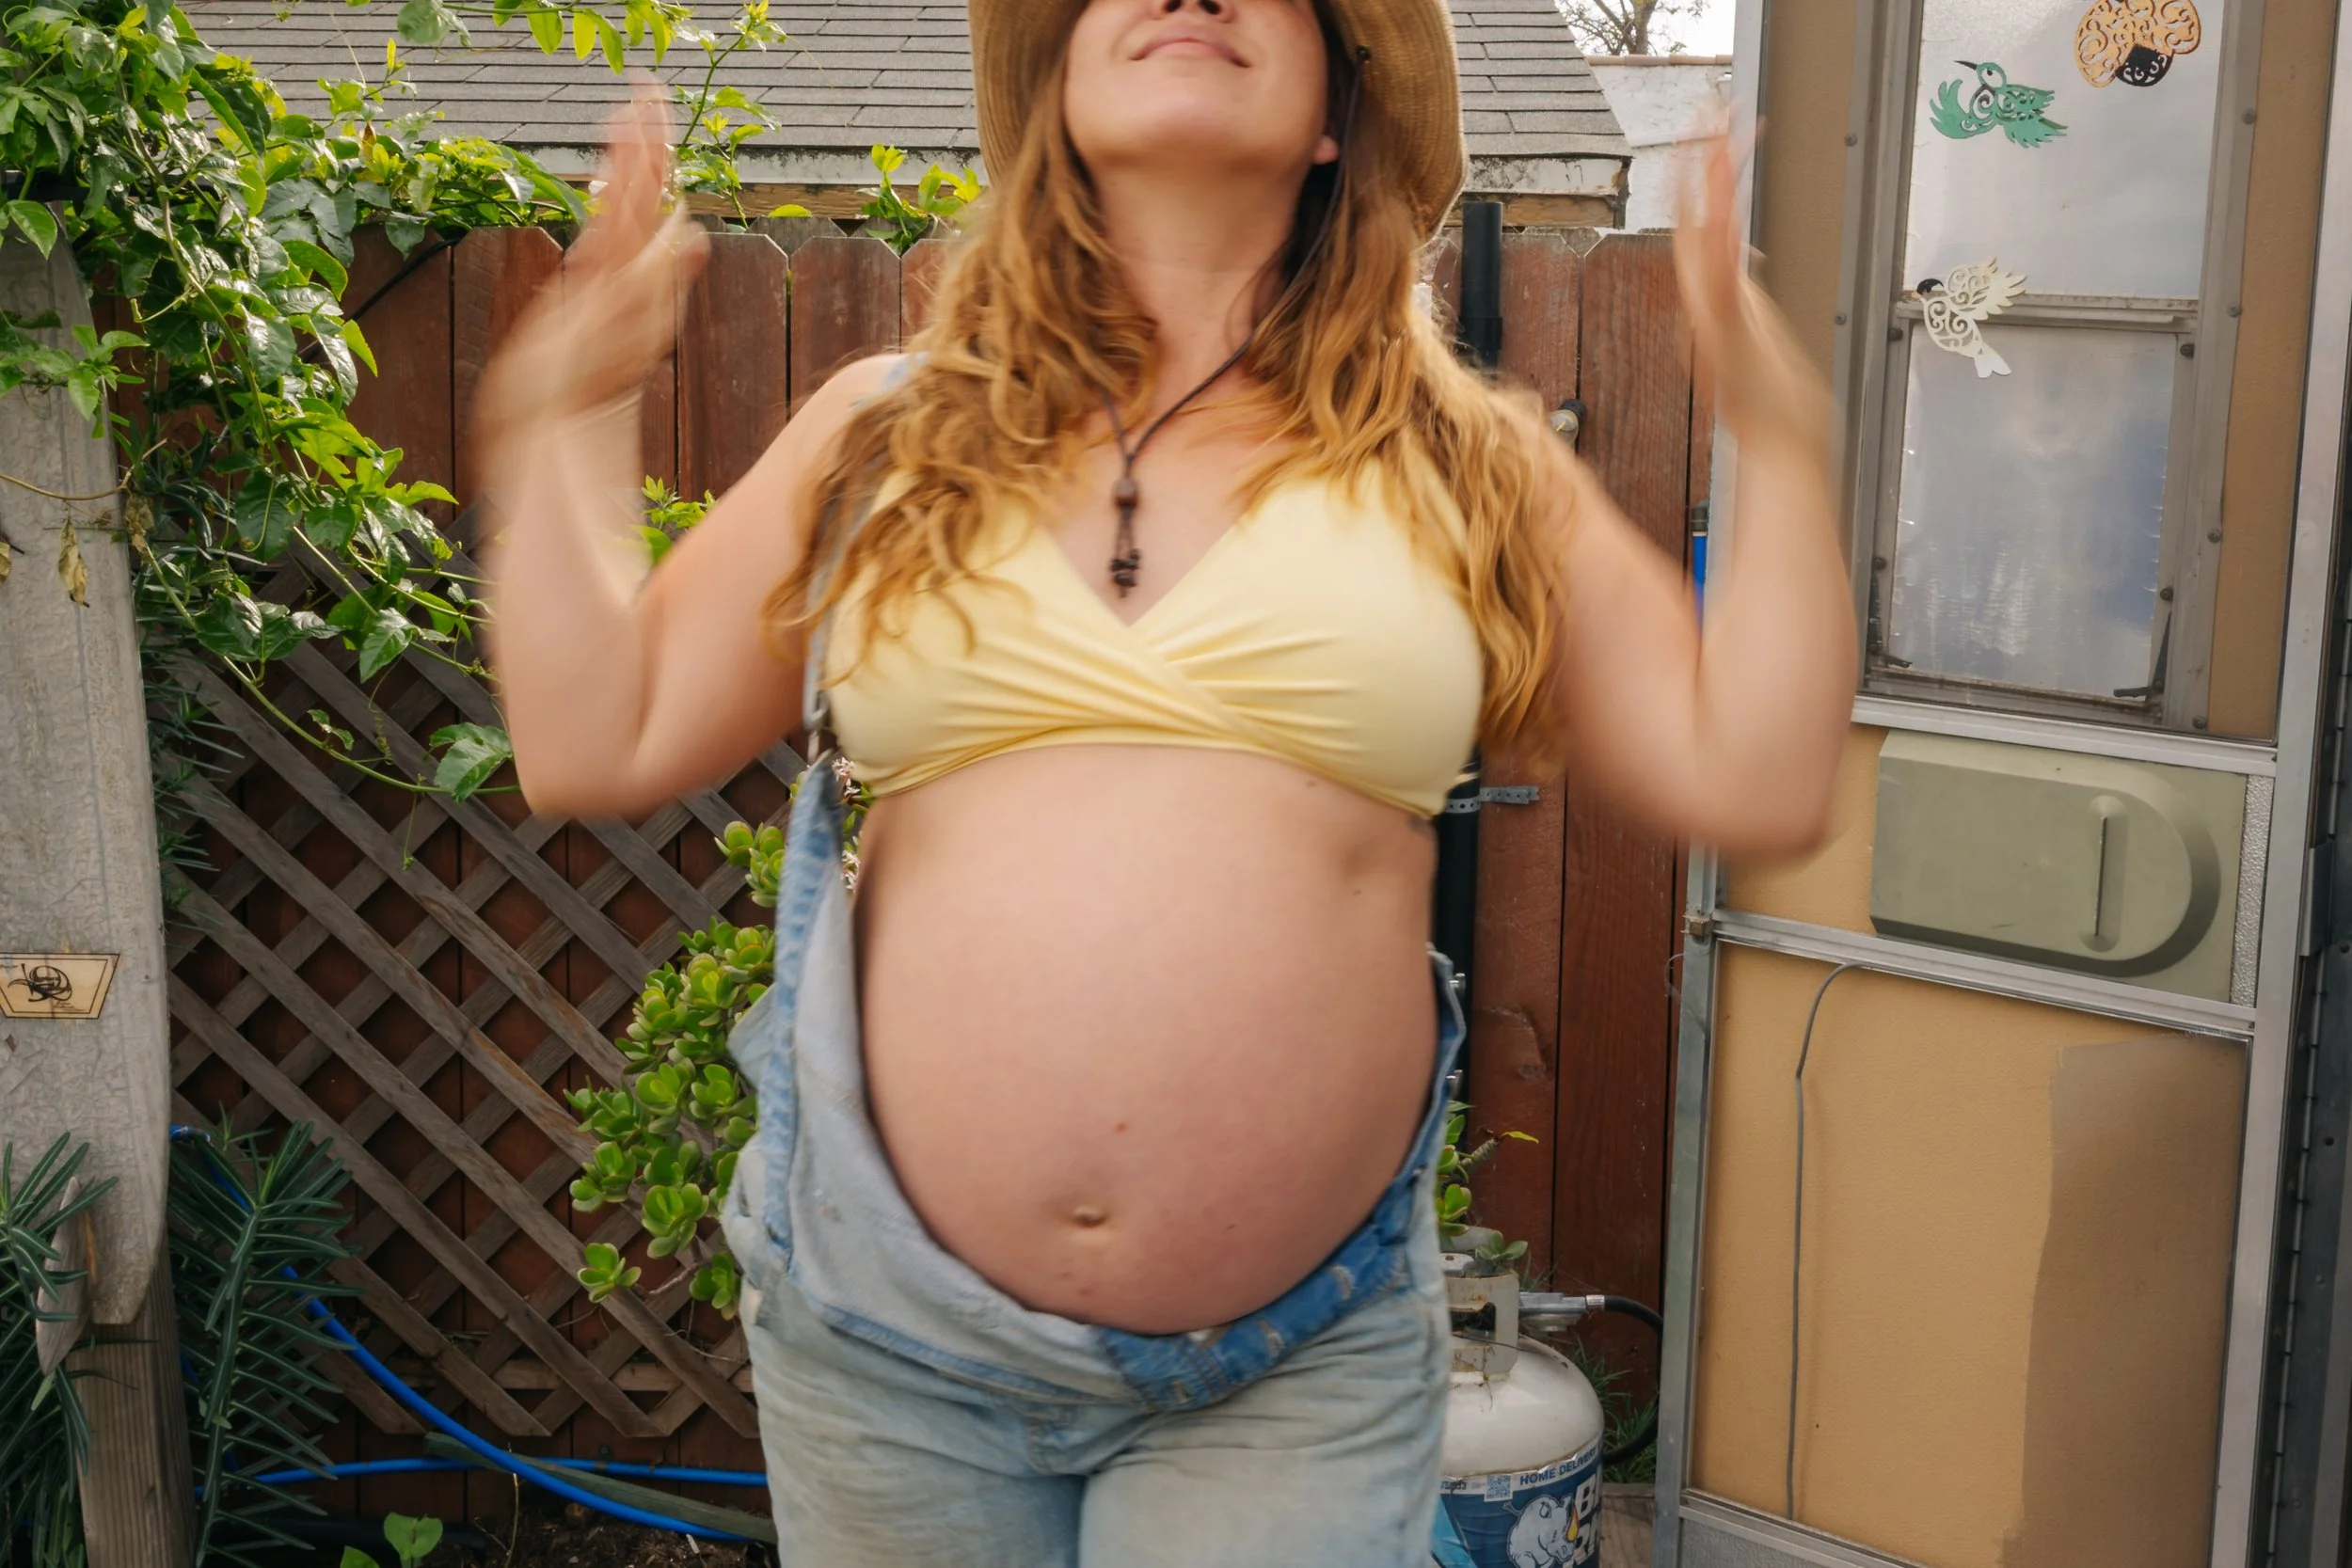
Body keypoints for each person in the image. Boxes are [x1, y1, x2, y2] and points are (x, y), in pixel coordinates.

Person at [473, 1, 1851, 1562]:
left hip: (1295, 1369)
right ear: (1057, 87)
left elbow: (1757, 775)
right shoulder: (884, 433)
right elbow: (596, 736)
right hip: (888, 1339)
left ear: (1340, 109)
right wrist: (563, 411)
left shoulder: (1468, 461)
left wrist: (1786, 444)